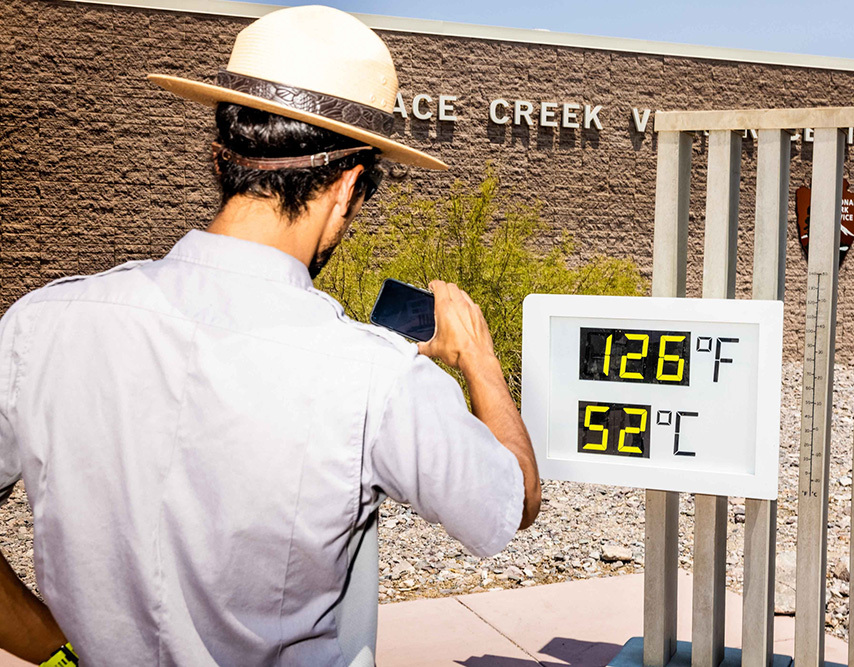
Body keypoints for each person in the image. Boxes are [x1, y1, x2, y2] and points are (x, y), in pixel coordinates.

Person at [0, 5, 540, 665]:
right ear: (346, 191)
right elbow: (511, 502)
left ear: (221, 155)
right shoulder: (374, 376)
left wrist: (59, 653)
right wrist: (480, 361)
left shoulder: (40, 326)